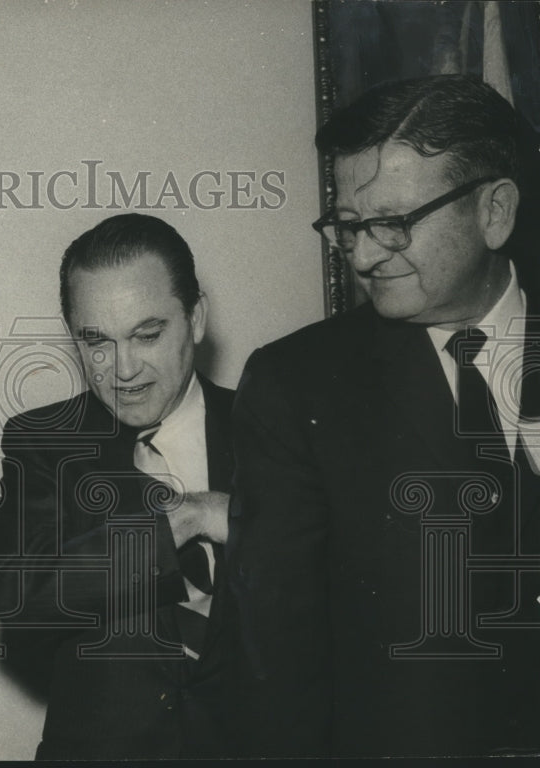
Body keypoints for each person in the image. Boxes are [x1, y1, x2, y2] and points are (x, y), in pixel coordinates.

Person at [228, 74, 540, 757]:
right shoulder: (296, 386)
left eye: (394, 224)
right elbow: (277, 667)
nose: (365, 256)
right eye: (348, 227)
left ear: (495, 211)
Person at [0, 213, 238, 759]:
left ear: (195, 318)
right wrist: (184, 521)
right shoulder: (44, 442)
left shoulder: (274, 428)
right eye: (95, 340)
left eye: (147, 335)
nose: (122, 368)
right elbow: (14, 591)